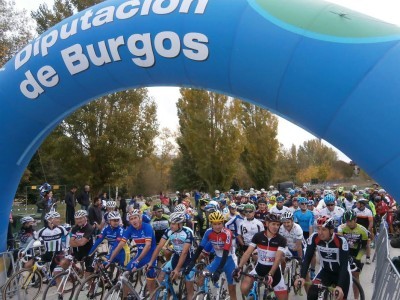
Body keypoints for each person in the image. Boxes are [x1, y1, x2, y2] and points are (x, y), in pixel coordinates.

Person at [233, 213, 288, 300]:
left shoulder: (281, 240)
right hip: (259, 268)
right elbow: (247, 253)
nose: (276, 227)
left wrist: (270, 274)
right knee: (244, 288)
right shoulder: (258, 236)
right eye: (273, 224)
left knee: (284, 298)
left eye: (278, 225)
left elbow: (277, 259)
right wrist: (239, 267)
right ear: (266, 224)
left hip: (274, 271)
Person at [185, 211, 237, 300]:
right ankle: (203, 294)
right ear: (211, 224)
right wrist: (191, 263)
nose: (217, 226)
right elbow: (200, 248)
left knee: (231, 289)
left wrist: (218, 271)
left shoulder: (227, 233)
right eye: (215, 224)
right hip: (218, 259)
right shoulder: (208, 232)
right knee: (201, 277)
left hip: (229, 260)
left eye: (220, 224)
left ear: (223, 223)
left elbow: (225, 254)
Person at [295, 216, 351, 300]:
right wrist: (302, 277)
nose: (320, 233)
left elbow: (344, 265)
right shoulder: (315, 237)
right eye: (318, 229)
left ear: (331, 230)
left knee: (340, 296)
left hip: (341, 273)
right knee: (312, 293)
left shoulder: (341, 241)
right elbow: (307, 258)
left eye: (324, 229)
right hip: (325, 271)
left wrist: (339, 286)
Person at [106, 209, 157, 298]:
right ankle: (125, 297)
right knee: (125, 275)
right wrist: (110, 259)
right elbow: (120, 244)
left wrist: (137, 261)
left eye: (135, 218)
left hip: (151, 256)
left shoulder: (147, 227)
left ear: (140, 218)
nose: (133, 220)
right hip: (140, 255)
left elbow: (148, 246)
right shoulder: (130, 229)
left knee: (150, 286)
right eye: (131, 219)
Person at [147, 212, 196, 300]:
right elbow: (159, 247)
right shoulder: (169, 231)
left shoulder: (188, 233)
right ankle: (168, 292)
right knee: (162, 275)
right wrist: (151, 262)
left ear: (180, 224)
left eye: (173, 224)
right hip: (177, 256)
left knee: (189, 290)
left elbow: (184, 253)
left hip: (188, 258)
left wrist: (177, 269)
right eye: (170, 223)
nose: (171, 226)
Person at [337, 210, 368, 300]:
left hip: (356, 253)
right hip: (344, 252)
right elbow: (339, 245)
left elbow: (364, 247)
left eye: (350, 221)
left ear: (355, 220)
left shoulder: (362, 230)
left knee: (355, 276)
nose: (348, 223)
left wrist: (358, 258)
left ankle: (356, 298)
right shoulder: (341, 228)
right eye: (346, 221)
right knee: (340, 275)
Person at [69, 210, 95, 278]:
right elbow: (71, 243)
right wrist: (78, 242)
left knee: (88, 277)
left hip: (89, 252)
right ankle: (79, 271)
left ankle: (91, 287)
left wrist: (76, 241)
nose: (78, 221)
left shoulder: (89, 228)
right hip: (78, 251)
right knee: (64, 262)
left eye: (80, 218)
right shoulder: (75, 228)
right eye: (77, 219)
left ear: (85, 218)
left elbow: (82, 243)